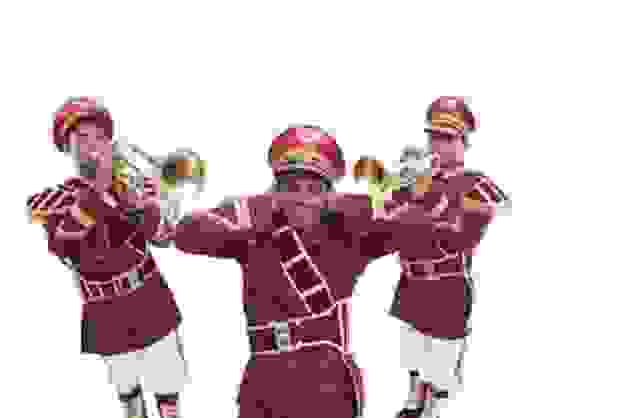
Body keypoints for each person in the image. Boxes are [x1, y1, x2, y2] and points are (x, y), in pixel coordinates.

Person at [170, 124, 443, 418]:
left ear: (328, 191)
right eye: (291, 186)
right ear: (275, 189)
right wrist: (247, 214)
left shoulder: (349, 228)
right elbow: (186, 234)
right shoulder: (255, 222)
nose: (301, 196)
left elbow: (419, 231)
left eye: (313, 187)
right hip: (266, 379)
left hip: (324, 378)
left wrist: (409, 195)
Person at [27, 97, 189, 418]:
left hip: (149, 295)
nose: (93, 145)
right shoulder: (54, 200)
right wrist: (100, 192)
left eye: (100, 137)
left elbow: (163, 238)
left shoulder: (129, 189)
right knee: (127, 388)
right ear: (67, 149)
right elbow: (66, 246)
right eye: (82, 138)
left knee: (168, 382)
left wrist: (148, 204)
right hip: (105, 307)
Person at [387, 97, 511, 417]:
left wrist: (432, 202)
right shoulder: (413, 178)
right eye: (434, 137)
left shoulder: (473, 182)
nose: (438, 145)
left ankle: (433, 410)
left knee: (441, 355)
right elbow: (385, 218)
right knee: (412, 349)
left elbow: (479, 223)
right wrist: (400, 185)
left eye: (447, 138)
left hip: (447, 283)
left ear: (463, 142)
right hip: (410, 280)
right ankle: (412, 404)